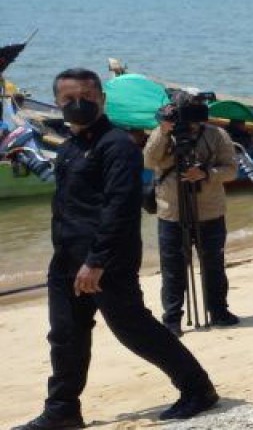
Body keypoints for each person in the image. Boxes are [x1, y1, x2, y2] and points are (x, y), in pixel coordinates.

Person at [15, 69, 217, 430]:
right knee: (65, 335)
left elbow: (120, 208)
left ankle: (197, 389)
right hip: (66, 257)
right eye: (68, 99)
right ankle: (62, 410)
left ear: (102, 100)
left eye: (87, 97)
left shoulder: (117, 146)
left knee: (133, 329)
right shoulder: (69, 147)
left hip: (107, 260)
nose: (78, 104)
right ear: (57, 102)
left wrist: (96, 261)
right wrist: (68, 257)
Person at [142, 95, 240, 335]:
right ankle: (172, 319)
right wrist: (163, 132)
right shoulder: (162, 134)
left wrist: (206, 173)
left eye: (194, 120)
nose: (190, 126)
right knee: (172, 270)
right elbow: (149, 161)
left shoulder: (216, 135)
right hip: (171, 213)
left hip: (210, 212)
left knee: (213, 266)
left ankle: (219, 312)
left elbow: (231, 170)